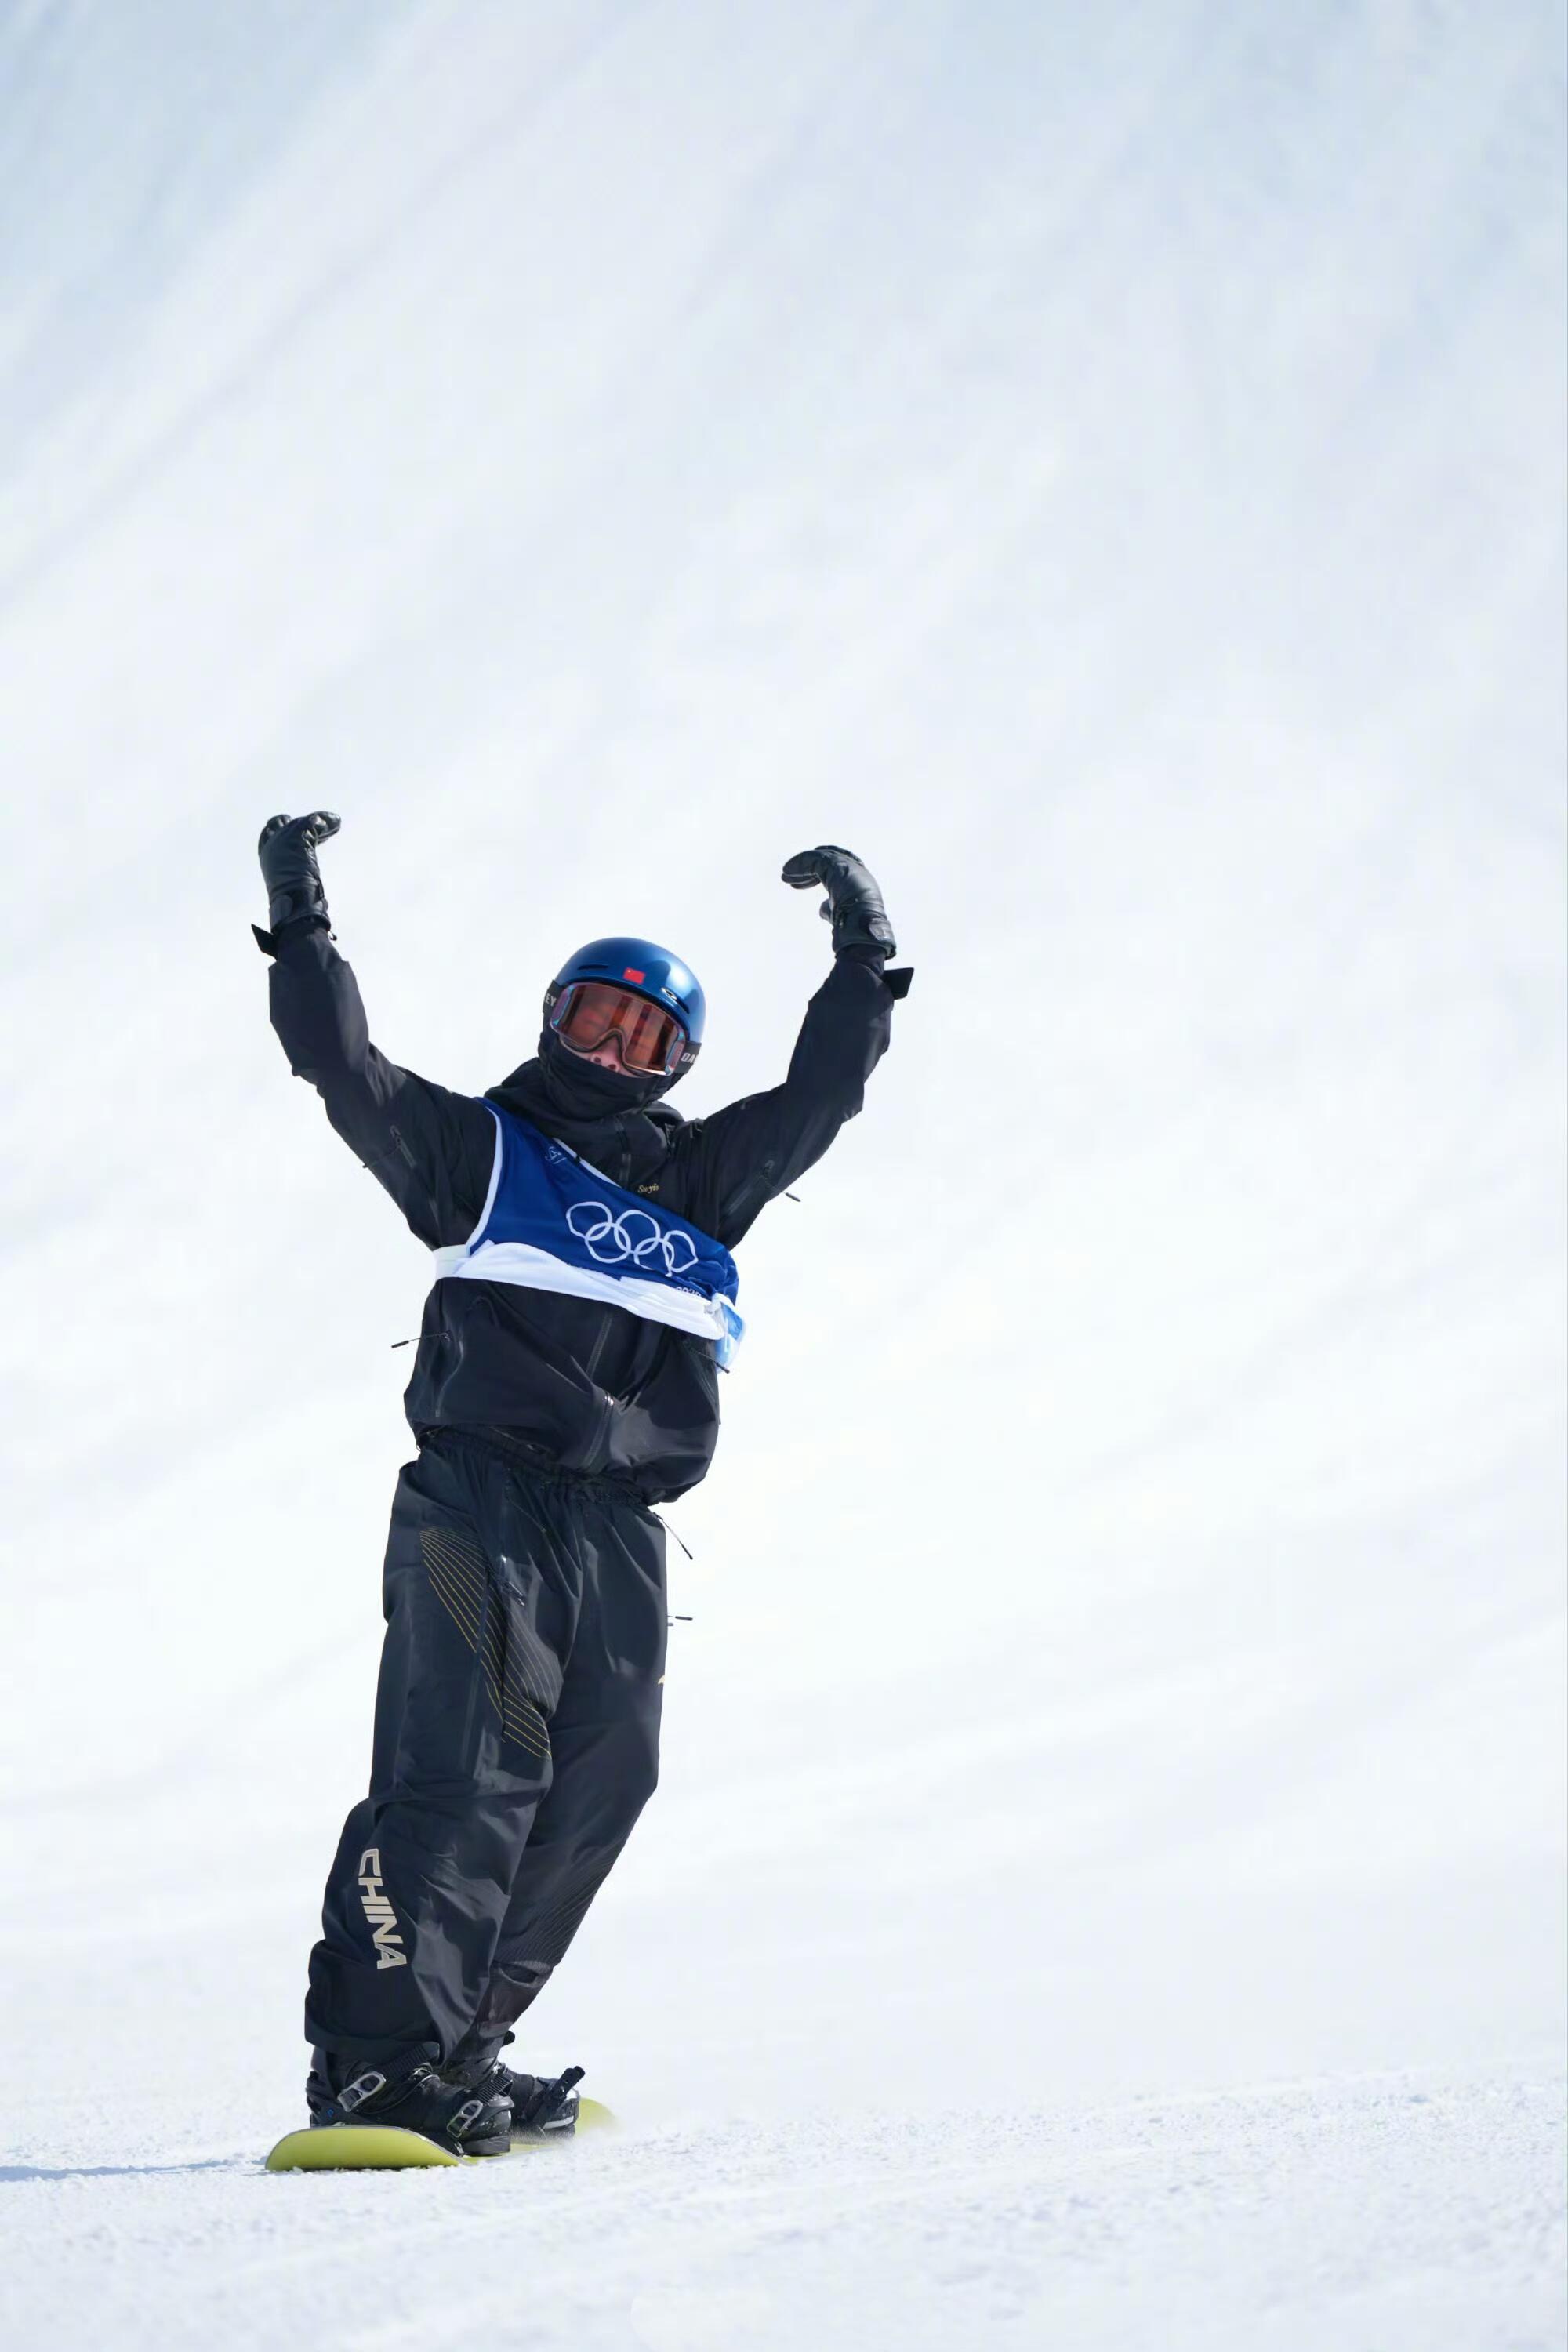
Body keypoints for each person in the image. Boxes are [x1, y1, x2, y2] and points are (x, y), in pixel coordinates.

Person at [255, 815, 910, 2153]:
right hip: (480, 1500)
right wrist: (303, 924)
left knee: (607, 1776)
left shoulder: (698, 1179)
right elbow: (341, 1064)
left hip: (619, 1528)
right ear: (553, 1019)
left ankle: (463, 2045)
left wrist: (862, 958)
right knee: (467, 1773)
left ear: (677, 1065)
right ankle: (375, 2065)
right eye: (597, 1020)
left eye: (646, 1039)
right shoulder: (477, 1151)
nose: (614, 1052)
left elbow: (822, 1097)